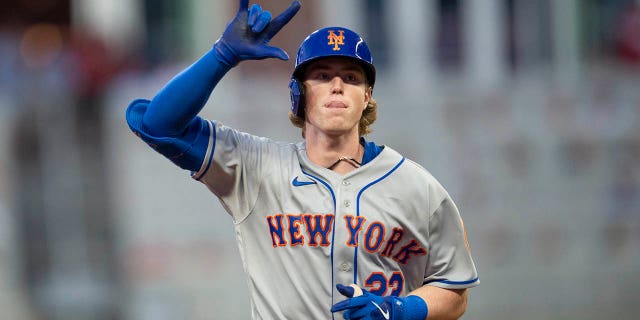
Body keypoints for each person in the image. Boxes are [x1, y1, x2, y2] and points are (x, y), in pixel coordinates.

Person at [125, 1, 479, 319]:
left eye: (351, 78)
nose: (337, 86)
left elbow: (454, 291)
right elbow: (157, 123)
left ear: (367, 96)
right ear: (298, 92)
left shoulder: (418, 187)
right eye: (322, 76)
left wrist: (402, 310)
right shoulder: (255, 168)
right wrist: (221, 56)